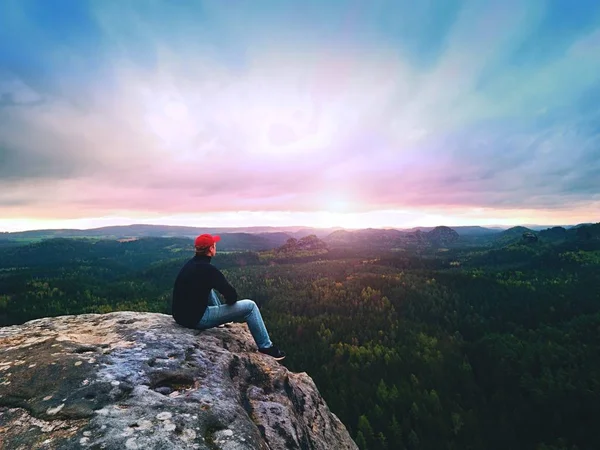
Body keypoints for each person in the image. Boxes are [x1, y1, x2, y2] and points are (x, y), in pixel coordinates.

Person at [172, 233, 286, 360]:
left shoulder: (190, 264)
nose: (216, 247)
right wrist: (228, 308)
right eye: (214, 245)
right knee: (250, 306)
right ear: (211, 249)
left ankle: (219, 321)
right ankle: (266, 347)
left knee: (206, 288)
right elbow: (232, 296)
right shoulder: (209, 270)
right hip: (197, 320)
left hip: (179, 317)